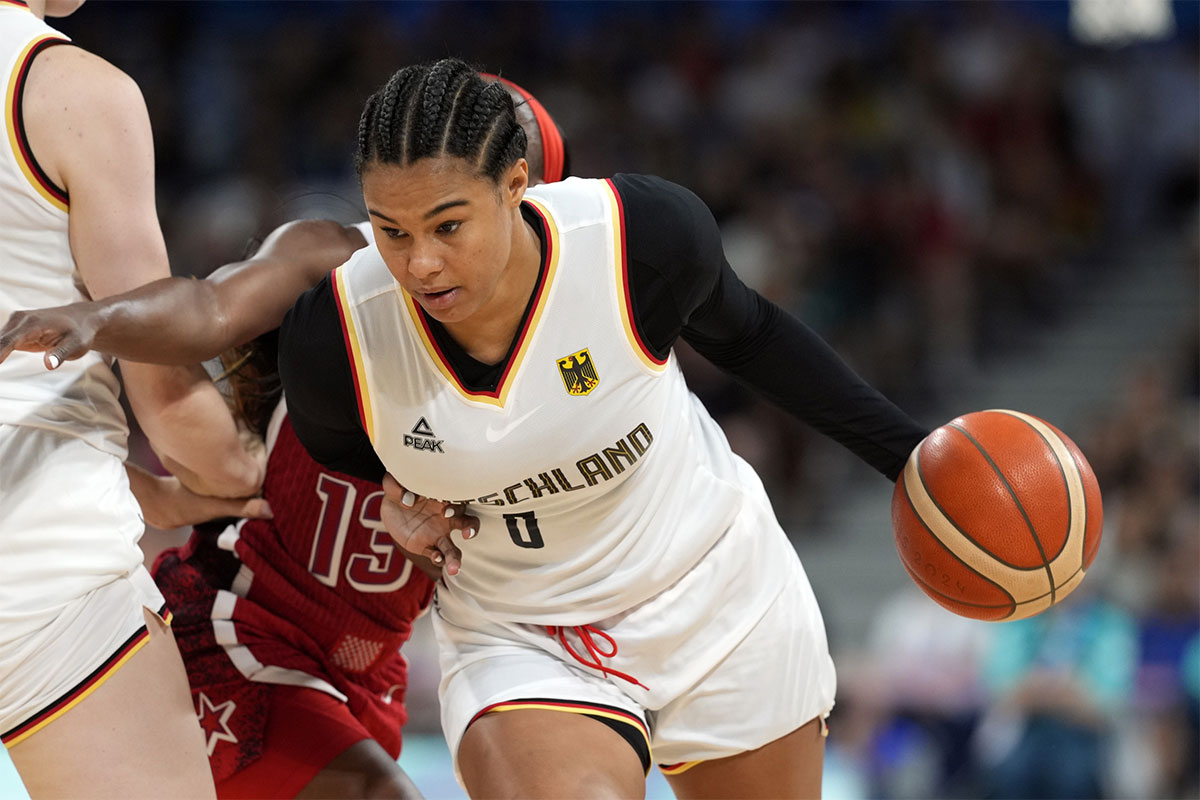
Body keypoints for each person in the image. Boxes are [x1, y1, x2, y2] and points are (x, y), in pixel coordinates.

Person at [272, 59, 929, 798]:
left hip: (715, 587)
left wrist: (909, 458)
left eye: (448, 225)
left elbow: (753, 338)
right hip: (523, 632)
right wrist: (398, 493)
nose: (420, 262)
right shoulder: (337, 339)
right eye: (390, 231)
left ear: (516, 185)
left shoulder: (635, 240)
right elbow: (345, 455)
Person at [0, 72, 569, 799]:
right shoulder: (338, 263)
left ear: (526, 195)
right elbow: (207, 309)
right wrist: (97, 320)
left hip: (369, 676)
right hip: (241, 631)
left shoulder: (565, 352)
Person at [0, 0, 267, 797]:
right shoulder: (69, 91)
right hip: (42, 576)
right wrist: (247, 474)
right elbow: (163, 383)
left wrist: (153, 488)